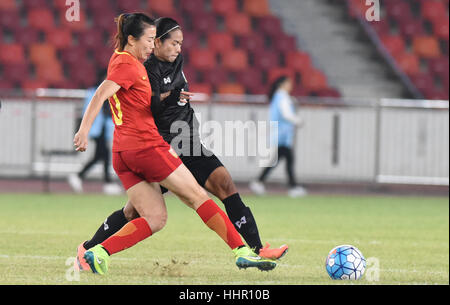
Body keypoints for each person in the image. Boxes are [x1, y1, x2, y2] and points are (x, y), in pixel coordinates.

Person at [74, 18, 288, 269]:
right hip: (153, 146)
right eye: (152, 40)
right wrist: (84, 130)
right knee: (191, 198)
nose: (154, 46)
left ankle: (94, 252)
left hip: (142, 148)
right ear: (134, 39)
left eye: (179, 43)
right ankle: (240, 250)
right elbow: (106, 93)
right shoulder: (135, 66)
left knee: (158, 216)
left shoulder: (136, 61)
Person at [249, 75, 308, 198]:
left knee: (279, 161)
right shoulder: (282, 97)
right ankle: (293, 187)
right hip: (282, 135)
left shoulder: (279, 97)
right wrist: (298, 121)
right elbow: (286, 114)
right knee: (288, 160)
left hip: (281, 134)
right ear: (282, 84)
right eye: (288, 83)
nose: (291, 86)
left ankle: (259, 182)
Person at [67, 70, 122, 195]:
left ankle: (81, 177)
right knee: (103, 155)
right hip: (96, 128)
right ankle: (103, 182)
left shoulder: (104, 92)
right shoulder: (94, 92)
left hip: (101, 128)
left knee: (101, 155)